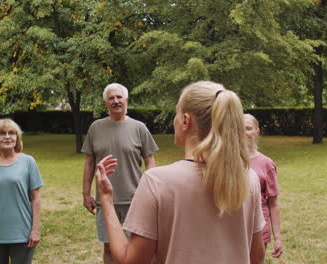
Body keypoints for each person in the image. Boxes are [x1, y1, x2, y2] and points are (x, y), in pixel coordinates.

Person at [94, 81, 266, 264]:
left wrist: (106, 199)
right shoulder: (248, 178)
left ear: (185, 120)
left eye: (176, 113)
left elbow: (131, 260)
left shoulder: (157, 181)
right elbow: (257, 256)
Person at [81, 83, 159, 264]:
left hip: (136, 199)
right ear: (106, 103)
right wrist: (86, 193)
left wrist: (153, 190)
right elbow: (89, 162)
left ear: (126, 101)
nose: (116, 101)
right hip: (105, 201)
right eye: (111, 98)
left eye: (119, 97)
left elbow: (150, 160)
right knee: (109, 247)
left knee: (138, 247)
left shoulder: (139, 128)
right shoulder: (95, 128)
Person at [0, 119, 44, 264]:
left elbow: (35, 199)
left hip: (22, 234)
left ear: (17, 138)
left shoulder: (28, 162)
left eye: (11, 133)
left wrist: (35, 230)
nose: (7, 137)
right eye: (2, 133)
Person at [244, 114, 283, 259]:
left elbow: (273, 203)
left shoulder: (266, 163)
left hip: (259, 229)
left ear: (257, 132)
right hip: (234, 229)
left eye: (248, 128)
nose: (244, 132)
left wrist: (277, 237)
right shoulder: (228, 161)